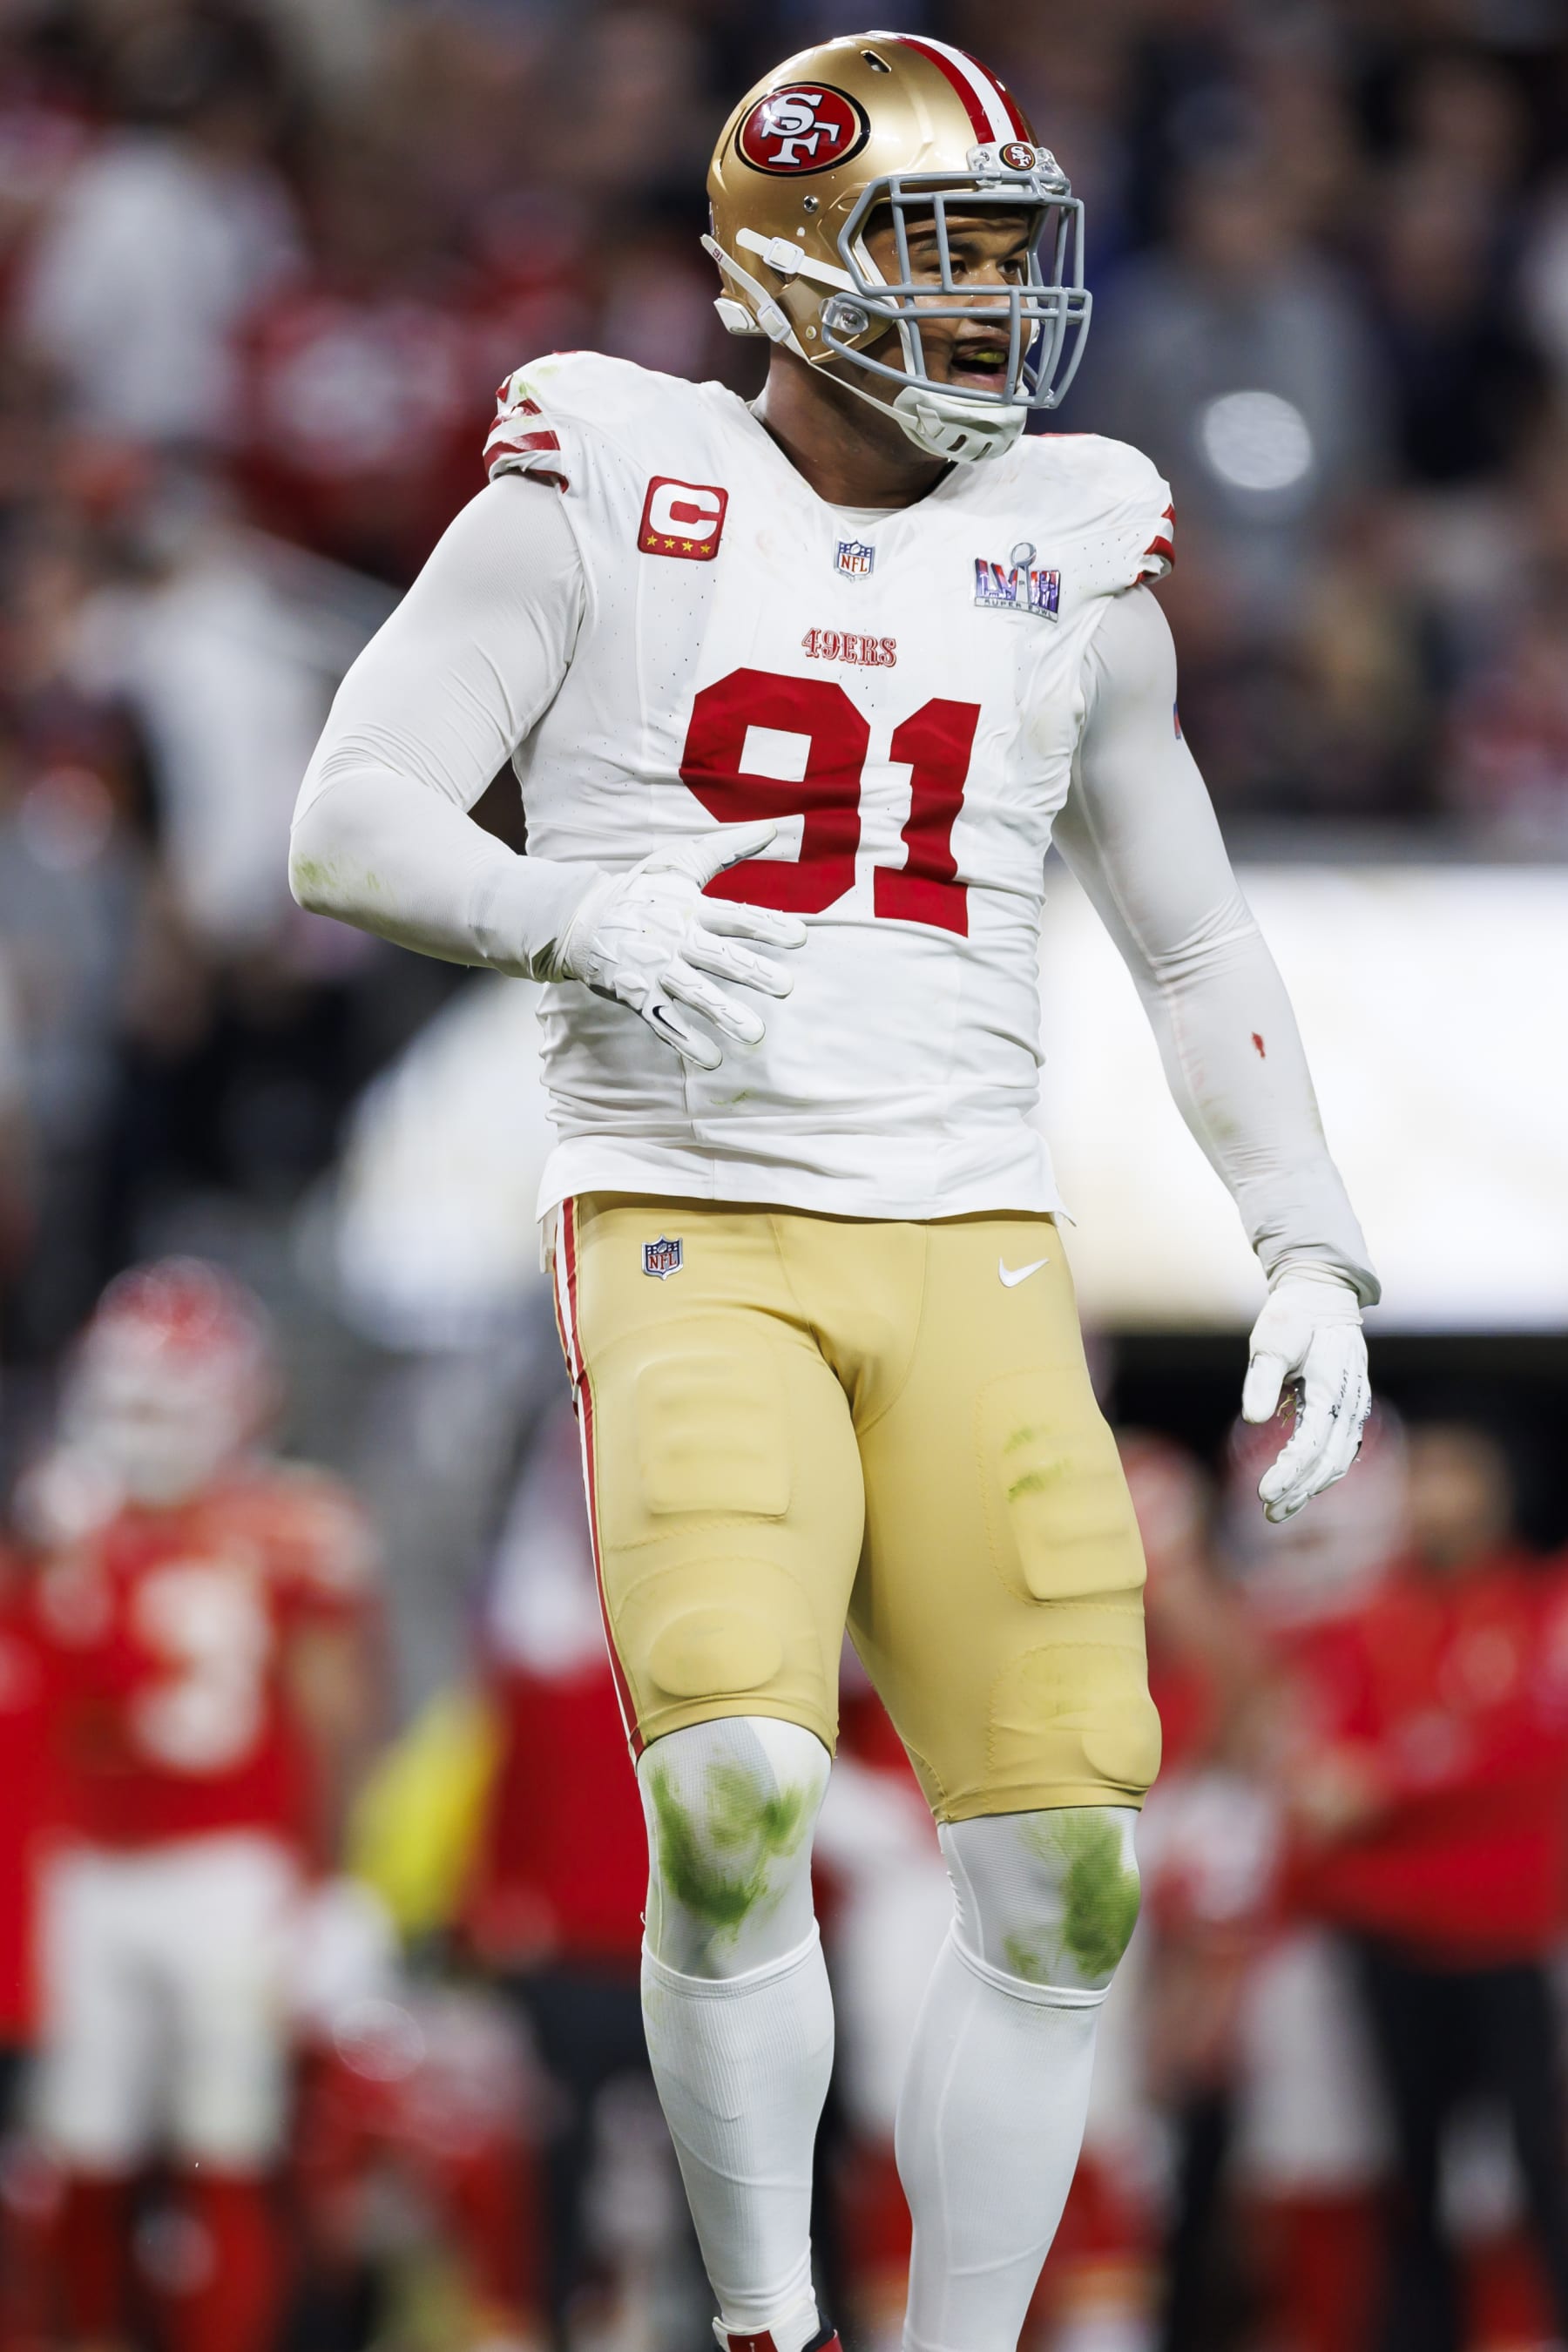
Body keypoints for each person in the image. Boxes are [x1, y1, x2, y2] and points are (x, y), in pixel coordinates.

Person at [289, 33, 1377, 2352]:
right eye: (941, 253)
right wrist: (561, 913)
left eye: (1010, 254)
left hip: (977, 1237)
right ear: (793, 270)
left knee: (1069, 1863)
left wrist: (1306, 1228)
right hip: (694, 1205)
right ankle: (772, 2314)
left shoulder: (1071, 544)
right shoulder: (605, 480)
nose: (995, 306)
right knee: (741, 1799)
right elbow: (351, 812)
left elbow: (1192, 934)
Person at [28, 1258, 379, 2352]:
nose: (142, 1427)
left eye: (166, 1399)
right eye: (129, 1398)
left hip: (231, 1865)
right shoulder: (69, 1520)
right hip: (89, 1862)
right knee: (82, 2150)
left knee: (224, 2146)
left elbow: (337, 1715)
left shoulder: (287, 1526)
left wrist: (336, 1881)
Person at [1288, 1423, 1568, 2352]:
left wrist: (1393, 1784)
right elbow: (1322, 1775)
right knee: (1409, 2170)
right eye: (1427, 1477)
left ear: (1498, 1492)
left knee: (1542, 2161)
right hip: (1394, 1939)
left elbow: (1531, 1752)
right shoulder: (1376, 1619)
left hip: (1507, 1936)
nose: (1437, 1498)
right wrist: (1392, 1782)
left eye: (1459, 1475)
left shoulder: (1541, 1602)